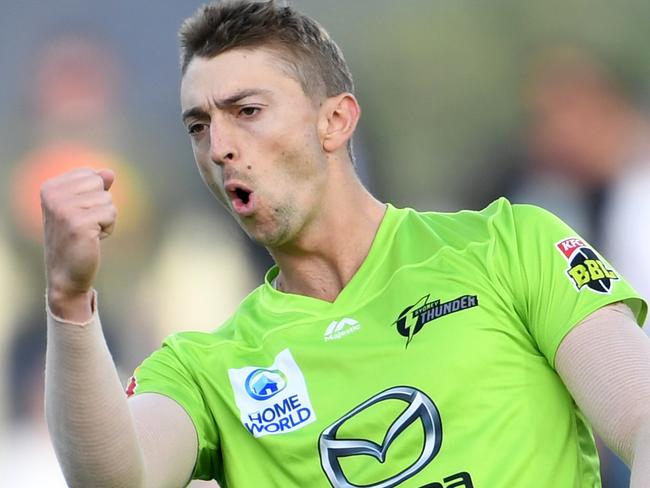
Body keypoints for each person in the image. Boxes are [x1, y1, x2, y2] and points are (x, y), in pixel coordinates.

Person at [41, 1, 650, 487]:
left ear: (335, 120)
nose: (219, 145)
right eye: (199, 126)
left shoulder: (510, 246)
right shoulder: (207, 366)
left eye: (246, 111)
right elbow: (115, 480)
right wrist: (69, 299)